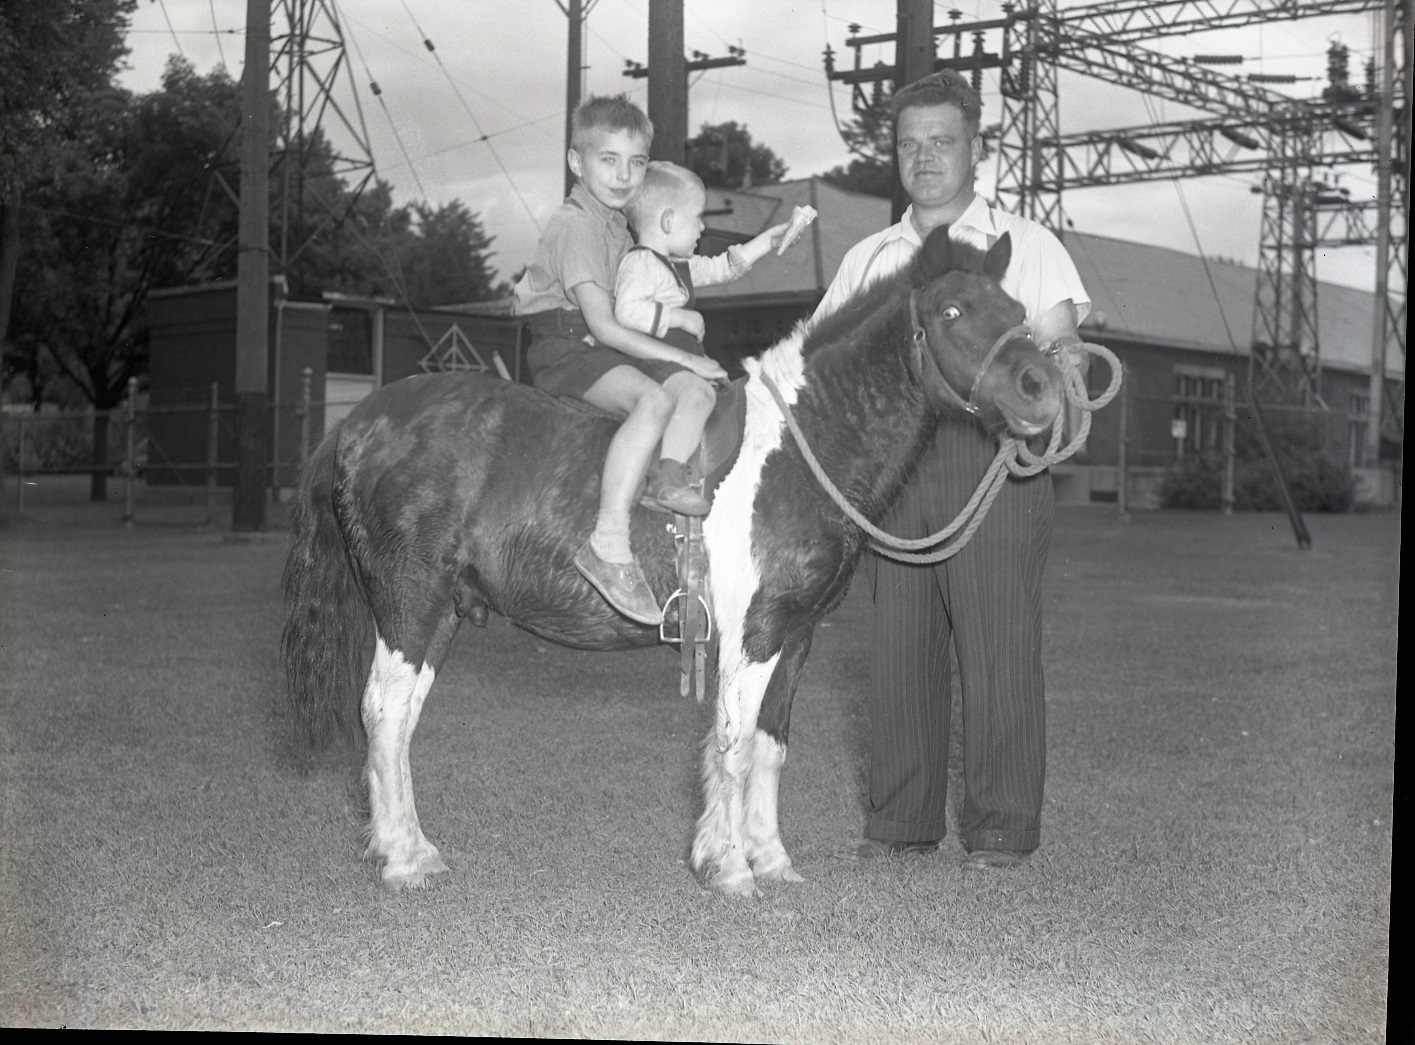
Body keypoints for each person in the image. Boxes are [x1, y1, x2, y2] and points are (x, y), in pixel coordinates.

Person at [813, 70, 1091, 870]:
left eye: (940, 141)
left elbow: (1061, 344)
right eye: (908, 144)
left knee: (996, 644)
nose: (923, 157)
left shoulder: (1028, 244)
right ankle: (900, 822)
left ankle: (1000, 827)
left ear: (976, 147)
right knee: (900, 649)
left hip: (994, 467)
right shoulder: (869, 256)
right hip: (895, 473)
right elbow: (827, 366)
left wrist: (1064, 371)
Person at [512, 96, 726, 626]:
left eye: (635, 162)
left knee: (686, 394)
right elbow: (607, 325)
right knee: (652, 400)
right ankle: (607, 542)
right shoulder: (579, 227)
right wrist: (686, 358)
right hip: (567, 346)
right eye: (608, 160)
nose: (623, 175)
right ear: (576, 163)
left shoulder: (616, 226)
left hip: (596, 343)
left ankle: (668, 480)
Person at [615, 160, 794, 514]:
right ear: (667, 221)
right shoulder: (640, 264)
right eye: (696, 217)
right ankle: (667, 479)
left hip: (676, 364)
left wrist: (766, 241)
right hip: (653, 364)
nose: (703, 226)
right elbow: (627, 311)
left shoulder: (677, 266)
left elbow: (723, 268)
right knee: (697, 396)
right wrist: (677, 316)